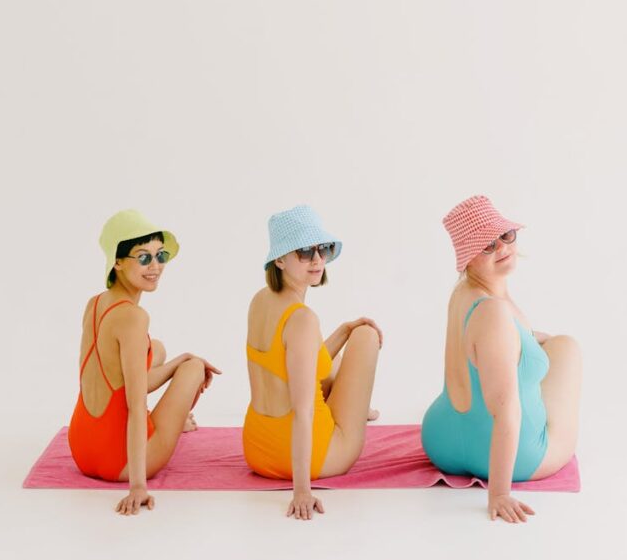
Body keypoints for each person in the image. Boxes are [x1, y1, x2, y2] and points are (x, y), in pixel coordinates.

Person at [421, 195, 581, 523]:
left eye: (505, 236)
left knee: (549, 342)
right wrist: (500, 492)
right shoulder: (493, 313)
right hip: (511, 455)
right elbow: (506, 411)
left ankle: (543, 346)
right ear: (467, 259)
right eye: (487, 246)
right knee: (568, 348)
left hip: (442, 440)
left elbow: (488, 346)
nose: (502, 247)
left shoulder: (464, 293)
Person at [68, 209, 221, 515]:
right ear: (118, 261)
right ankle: (172, 426)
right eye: (143, 257)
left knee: (157, 348)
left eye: (160, 255)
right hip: (120, 462)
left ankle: (173, 409)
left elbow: (116, 378)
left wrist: (172, 360)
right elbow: (135, 404)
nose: (156, 266)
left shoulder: (96, 302)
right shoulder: (135, 317)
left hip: (82, 448)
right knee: (193, 367)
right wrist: (137, 485)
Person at [243, 204, 383, 520]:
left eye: (323, 249)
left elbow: (301, 361)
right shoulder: (303, 320)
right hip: (313, 457)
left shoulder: (260, 301)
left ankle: (356, 405)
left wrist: (342, 329)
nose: (317, 259)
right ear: (279, 259)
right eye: (304, 251)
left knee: (346, 339)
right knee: (365, 336)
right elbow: (303, 412)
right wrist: (302, 490)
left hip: (257, 450)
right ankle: (358, 410)